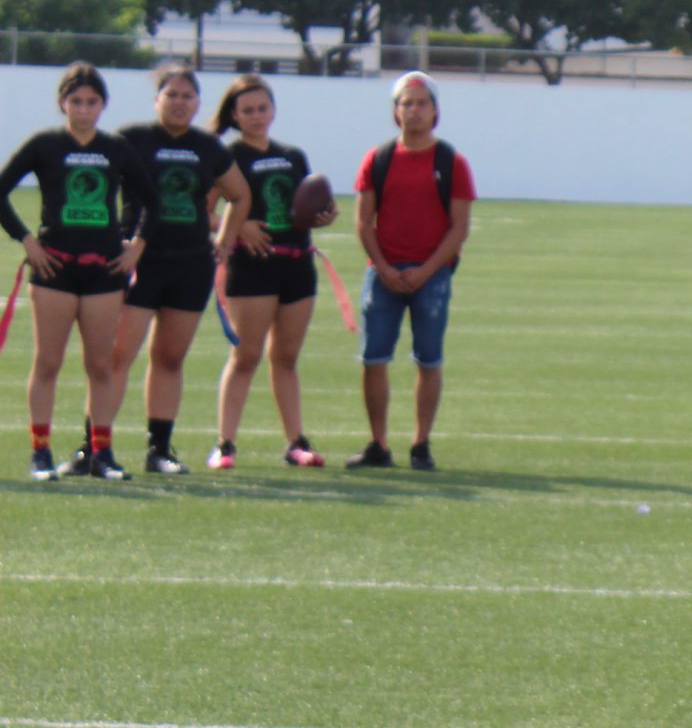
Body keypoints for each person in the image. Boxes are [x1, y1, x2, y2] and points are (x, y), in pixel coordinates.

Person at [2, 62, 150, 481]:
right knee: (48, 361)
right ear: (62, 103)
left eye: (92, 101)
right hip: (54, 270)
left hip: (103, 272)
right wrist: (28, 241)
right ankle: (40, 452)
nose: (84, 109)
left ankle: (101, 453)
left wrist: (136, 247)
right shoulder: (43, 144)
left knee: (101, 365)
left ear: (103, 105)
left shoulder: (116, 148)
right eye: (76, 101)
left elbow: (149, 201)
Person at [107, 61, 252, 476]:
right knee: (118, 356)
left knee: (169, 358)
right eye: (171, 94)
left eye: (187, 96)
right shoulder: (132, 139)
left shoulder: (208, 147)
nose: (179, 103)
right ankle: (96, 446)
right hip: (139, 261)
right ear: (157, 99)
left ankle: (160, 449)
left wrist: (224, 242)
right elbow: (98, 181)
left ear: (198, 103)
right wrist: (112, 236)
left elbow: (240, 197)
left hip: (190, 264)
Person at [351, 70, 473, 472]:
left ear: (435, 111)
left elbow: (459, 228)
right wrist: (384, 267)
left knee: (429, 360)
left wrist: (426, 270)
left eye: (422, 103)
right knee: (374, 358)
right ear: (395, 111)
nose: (414, 111)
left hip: (431, 276)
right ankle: (378, 443)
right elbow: (363, 220)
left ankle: (421, 444)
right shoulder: (378, 159)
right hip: (383, 273)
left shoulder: (451, 162)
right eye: (407, 103)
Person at [208, 75, 332, 470]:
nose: (256, 116)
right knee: (245, 356)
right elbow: (204, 208)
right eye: (247, 110)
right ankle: (225, 444)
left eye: (262, 108)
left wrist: (323, 214)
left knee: (287, 358)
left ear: (273, 110)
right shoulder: (228, 156)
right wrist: (238, 226)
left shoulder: (294, 155)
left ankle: (295, 442)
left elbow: (305, 206)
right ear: (235, 115)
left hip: (296, 265)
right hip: (252, 267)